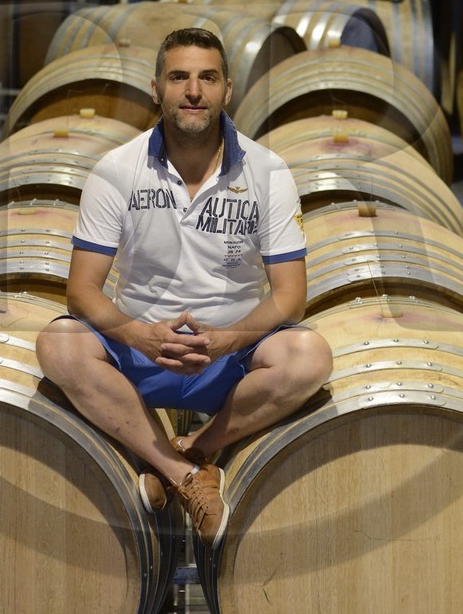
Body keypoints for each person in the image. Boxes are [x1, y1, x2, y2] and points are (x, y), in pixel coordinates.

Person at [36, 27, 333, 547]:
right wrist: (139, 335)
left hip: (231, 361)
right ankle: (186, 475)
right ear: (157, 89)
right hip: (138, 356)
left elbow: (290, 296)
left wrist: (230, 338)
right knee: (57, 343)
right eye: (179, 77)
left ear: (227, 90)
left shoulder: (269, 171)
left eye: (207, 78)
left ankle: (189, 451)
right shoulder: (116, 170)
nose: (193, 91)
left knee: (310, 356)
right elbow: (82, 292)